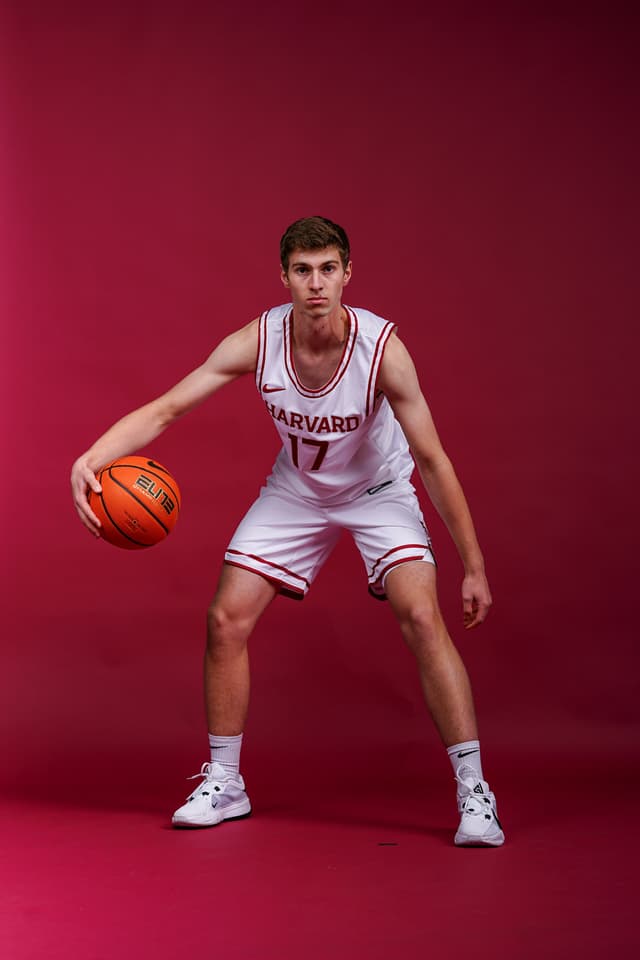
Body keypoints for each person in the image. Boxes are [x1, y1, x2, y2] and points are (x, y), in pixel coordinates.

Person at [71, 216, 504, 846]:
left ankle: (475, 794)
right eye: (302, 271)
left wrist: (475, 565)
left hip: (378, 491)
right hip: (295, 492)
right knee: (225, 619)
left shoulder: (383, 350)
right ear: (284, 277)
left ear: (347, 273)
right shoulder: (258, 340)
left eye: (328, 268)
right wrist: (92, 456)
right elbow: (169, 407)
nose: (316, 283)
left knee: (420, 616)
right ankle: (226, 782)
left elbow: (433, 460)